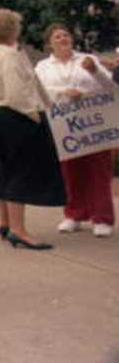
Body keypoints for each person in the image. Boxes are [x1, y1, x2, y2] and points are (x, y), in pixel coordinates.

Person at [0, 9, 66, 250]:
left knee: (3, 167)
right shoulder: (9, 55)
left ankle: (4, 223)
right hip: (13, 114)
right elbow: (15, 92)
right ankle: (19, 230)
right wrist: (34, 115)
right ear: (13, 30)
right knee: (19, 170)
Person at [34, 23, 116, 238]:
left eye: (66, 35)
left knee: (99, 169)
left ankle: (102, 217)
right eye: (57, 36)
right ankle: (74, 214)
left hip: (95, 123)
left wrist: (95, 71)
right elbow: (37, 90)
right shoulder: (43, 66)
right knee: (70, 171)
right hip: (65, 125)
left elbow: (109, 87)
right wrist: (63, 91)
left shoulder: (87, 59)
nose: (63, 39)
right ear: (49, 43)